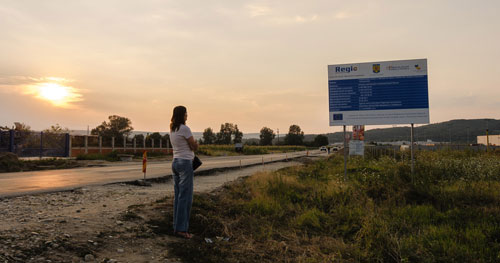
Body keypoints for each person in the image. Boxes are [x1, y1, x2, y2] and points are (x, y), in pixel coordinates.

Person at [170, 105, 198, 239]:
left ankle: (176, 226)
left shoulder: (173, 130)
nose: (187, 116)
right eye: (186, 114)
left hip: (175, 162)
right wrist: (196, 144)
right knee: (185, 197)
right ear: (182, 115)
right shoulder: (185, 129)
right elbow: (194, 146)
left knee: (178, 196)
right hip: (185, 163)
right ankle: (181, 229)